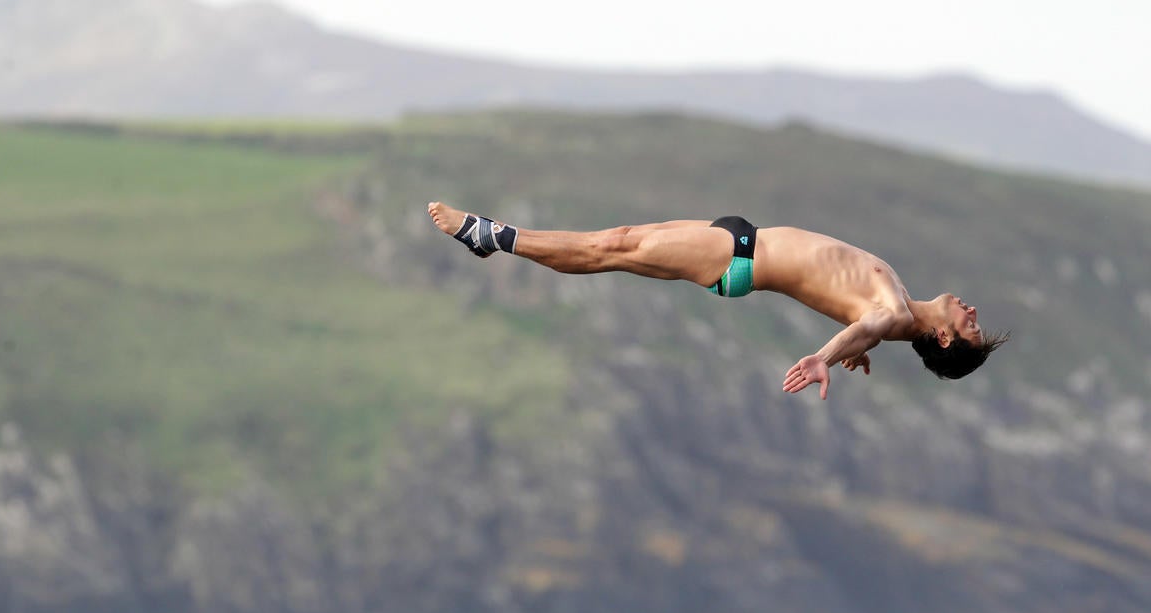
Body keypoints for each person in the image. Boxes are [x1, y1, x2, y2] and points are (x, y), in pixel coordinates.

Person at [428, 201, 1008, 399]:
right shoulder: (900, 308)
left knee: (608, 248)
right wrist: (856, 344)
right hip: (741, 238)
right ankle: (494, 243)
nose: (972, 312)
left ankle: (492, 236)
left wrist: (826, 357)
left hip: (738, 259)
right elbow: (860, 318)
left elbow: (869, 324)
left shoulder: (897, 311)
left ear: (945, 337)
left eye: (971, 327)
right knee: (620, 240)